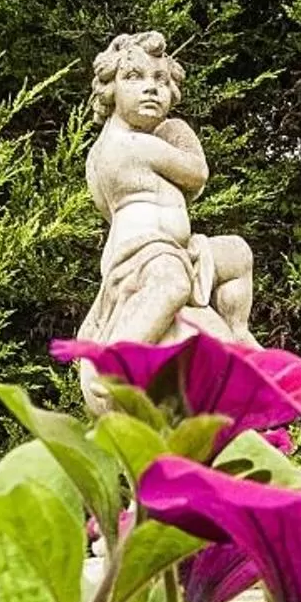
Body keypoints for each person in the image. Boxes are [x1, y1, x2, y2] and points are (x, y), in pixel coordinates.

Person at [75, 33, 254, 361]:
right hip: (145, 254)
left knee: (237, 254)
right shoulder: (131, 145)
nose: (151, 87)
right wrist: (178, 132)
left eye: (160, 78)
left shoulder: (107, 150)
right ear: (110, 89)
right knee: (172, 284)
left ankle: (238, 331)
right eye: (134, 77)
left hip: (177, 250)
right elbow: (197, 174)